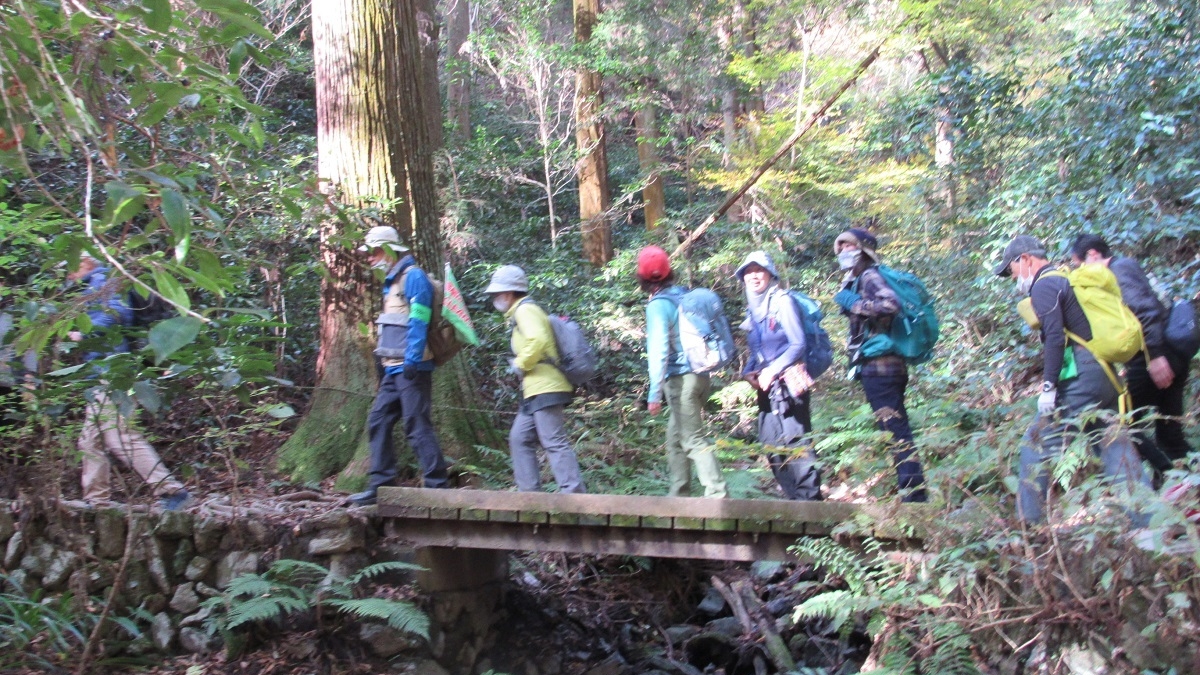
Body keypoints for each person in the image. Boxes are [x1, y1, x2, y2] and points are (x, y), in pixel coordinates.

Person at [994, 235, 1145, 523]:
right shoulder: (1066, 277)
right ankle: (1146, 525)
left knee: (1035, 444)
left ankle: (1029, 528)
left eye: (1011, 269)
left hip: (1081, 378)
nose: (1012, 277)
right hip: (1104, 373)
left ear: (1025, 259)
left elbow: (1055, 337)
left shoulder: (1044, 285)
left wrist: (1048, 386)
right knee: (1114, 445)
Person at [67, 254, 190, 510]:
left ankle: (172, 490)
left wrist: (85, 332)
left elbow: (118, 313)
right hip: (100, 372)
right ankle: (96, 501)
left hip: (114, 371)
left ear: (86, 262)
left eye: (70, 265)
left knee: (120, 436)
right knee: (90, 440)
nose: (67, 273)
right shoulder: (91, 286)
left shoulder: (103, 281)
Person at [1069, 234, 1192, 477]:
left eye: (1079, 264)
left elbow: (1146, 312)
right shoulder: (1124, 268)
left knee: (1119, 424)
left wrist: (1154, 357)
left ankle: (1168, 475)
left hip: (1156, 357)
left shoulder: (1118, 269)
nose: (1079, 269)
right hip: (1167, 353)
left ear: (1093, 255)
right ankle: (1186, 482)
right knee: (1170, 435)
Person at [350, 225, 450, 506]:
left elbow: (419, 319)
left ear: (391, 250)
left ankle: (438, 486)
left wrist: (413, 359)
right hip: (393, 367)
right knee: (378, 420)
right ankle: (380, 483)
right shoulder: (391, 281)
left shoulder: (413, 277)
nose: (369, 258)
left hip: (411, 367)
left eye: (374, 251)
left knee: (416, 425)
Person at [832, 229, 926, 502]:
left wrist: (857, 304)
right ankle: (910, 492)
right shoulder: (857, 278)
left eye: (849, 246)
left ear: (863, 249)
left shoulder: (871, 275)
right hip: (880, 365)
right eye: (840, 248)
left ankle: (914, 497)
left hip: (882, 367)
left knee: (895, 431)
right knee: (893, 430)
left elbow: (890, 304)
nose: (843, 252)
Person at [485, 265, 586, 494]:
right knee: (519, 439)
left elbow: (537, 340)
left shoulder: (525, 310)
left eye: (497, 293)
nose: (495, 298)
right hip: (534, 389)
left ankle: (574, 496)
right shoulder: (521, 312)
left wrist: (520, 364)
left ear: (509, 293)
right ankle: (529, 496)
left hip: (546, 386)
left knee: (553, 440)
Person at [637, 246, 727, 498]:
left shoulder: (658, 306)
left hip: (680, 381)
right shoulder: (683, 296)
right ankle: (678, 495)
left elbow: (659, 351)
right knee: (675, 439)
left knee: (692, 440)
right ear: (669, 272)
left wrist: (654, 393)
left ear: (642, 277)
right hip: (700, 376)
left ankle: (717, 496)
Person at [737, 251, 821, 501]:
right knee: (771, 445)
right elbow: (757, 350)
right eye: (748, 271)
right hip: (766, 386)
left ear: (770, 274)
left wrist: (773, 370)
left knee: (797, 443)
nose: (753, 276)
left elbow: (798, 344)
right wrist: (748, 372)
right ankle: (793, 500)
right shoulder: (753, 307)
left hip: (790, 383)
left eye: (758, 270)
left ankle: (811, 504)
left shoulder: (782, 301)